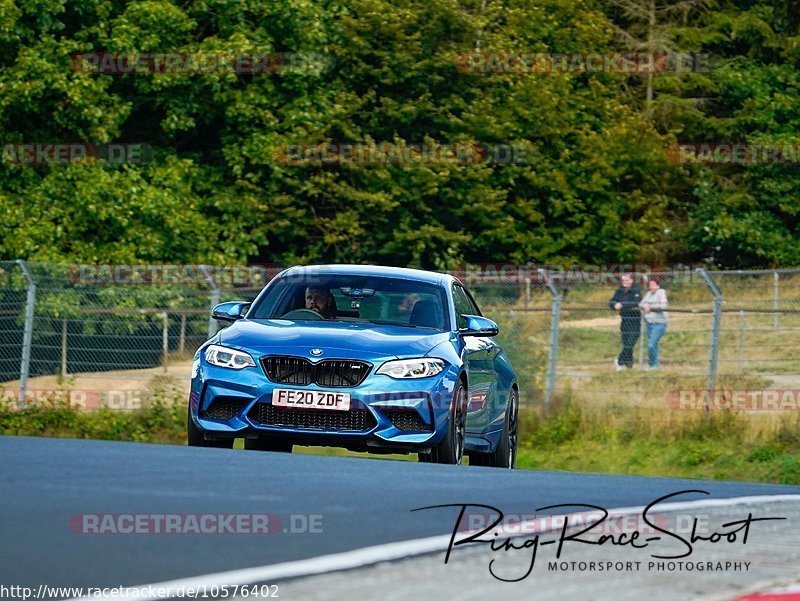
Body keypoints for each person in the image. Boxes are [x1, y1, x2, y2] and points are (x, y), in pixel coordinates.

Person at [608, 273, 642, 371]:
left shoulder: (636, 289)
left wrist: (622, 305)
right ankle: (629, 364)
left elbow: (636, 302)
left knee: (631, 341)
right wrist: (615, 305)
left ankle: (619, 361)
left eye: (627, 280)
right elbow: (612, 301)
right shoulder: (619, 290)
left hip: (635, 319)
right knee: (626, 341)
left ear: (631, 280)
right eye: (623, 281)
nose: (625, 283)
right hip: (624, 319)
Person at [639, 277, 668, 370]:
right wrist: (645, 306)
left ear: (658, 285)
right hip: (649, 323)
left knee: (651, 344)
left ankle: (652, 365)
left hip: (659, 323)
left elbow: (662, 305)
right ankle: (654, 365)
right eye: (650, 285)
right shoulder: (648, 294)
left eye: (653, 285)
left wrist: (650, 307)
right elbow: (641, 304)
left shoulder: (661, 293)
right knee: (653, 344)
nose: (651, 287)